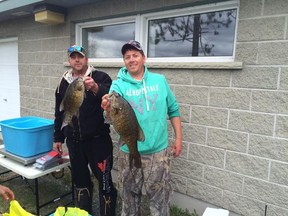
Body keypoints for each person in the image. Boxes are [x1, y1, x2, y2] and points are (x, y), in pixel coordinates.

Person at [101, 40, 182, 216]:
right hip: (128, 151)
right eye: (127, 57)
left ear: (143, 58)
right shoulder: (118, 85)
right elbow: (109, 117)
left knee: (160, 200)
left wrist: (178, 138)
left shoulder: (160, 81)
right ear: (124, 61)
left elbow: (174, 109)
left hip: (158, 152)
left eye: (135, 55)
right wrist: (107, 108)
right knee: (129, 199)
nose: (131, 59)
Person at [53, 45, 117, 216]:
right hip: (73, 142)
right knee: (81, 182)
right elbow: (59, 112)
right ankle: (84, 213)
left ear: (86, 59)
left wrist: (96, 88)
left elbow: (112, 97)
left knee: (105, 183)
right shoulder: (63, 82)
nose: (77, 60)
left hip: (98, 141)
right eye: (73, 57)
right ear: (69, 61)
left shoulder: (101, 77)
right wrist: (57, 138)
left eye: (80, 56)